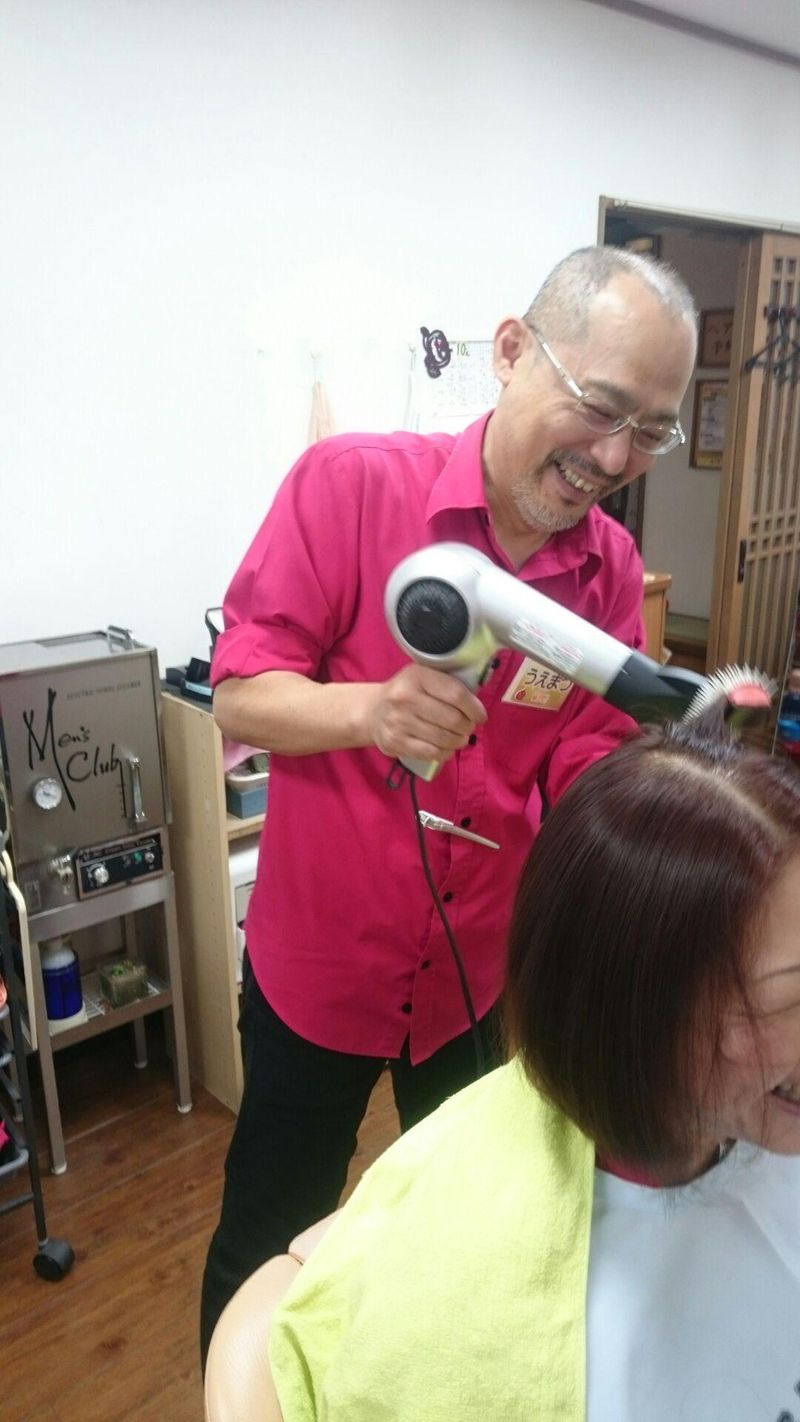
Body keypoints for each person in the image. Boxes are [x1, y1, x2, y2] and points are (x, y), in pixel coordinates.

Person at [200, 245, 698, 1359]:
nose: (613, 457)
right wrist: (369, 711)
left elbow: (587, 755)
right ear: (512, 352)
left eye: (650, 431)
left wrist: (657, 807)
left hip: (476, 977)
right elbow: (239, 692)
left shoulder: (609, 573)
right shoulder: (349, 487)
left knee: (465, 1225)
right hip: (320, 971)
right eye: (598, 408)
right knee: (267, 1239)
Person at [269, 716, 800, 1422]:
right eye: (791, 998)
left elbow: (587, 731)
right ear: (640, 1010)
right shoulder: (472, 1315)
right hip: (327, 973)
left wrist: (656, 816)